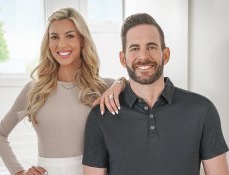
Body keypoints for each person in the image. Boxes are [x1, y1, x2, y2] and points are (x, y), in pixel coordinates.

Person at [83, 13, 229, 175]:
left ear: (165, 55)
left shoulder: (202, 110)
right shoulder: (101, 116)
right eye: (135, 48)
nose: (143, 56)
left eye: (151, 47)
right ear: (123, 59)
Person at [0, 8, 125, 175]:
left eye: (70, 36)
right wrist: (18, 172)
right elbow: (0, 134)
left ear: (82, 40)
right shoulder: (34, 90)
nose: (61, 44)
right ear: (48, 43)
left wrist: (120, 83)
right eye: (54, 37)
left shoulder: (101, 87)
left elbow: (139, 89)